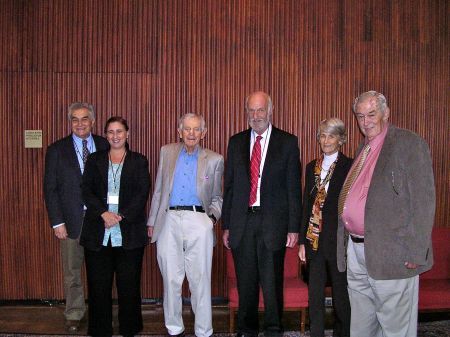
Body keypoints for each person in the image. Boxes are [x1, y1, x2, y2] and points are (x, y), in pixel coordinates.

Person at [337, 91, 435, 337]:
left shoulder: (408, 144)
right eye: (360, 116)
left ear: (386, 113)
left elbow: (424, 202)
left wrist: (416, 250)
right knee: (362, 326)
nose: (365, 121)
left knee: (395, 328)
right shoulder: (365, 148)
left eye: (371, 114)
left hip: (393, 253)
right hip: (358, 253)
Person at [222, 91, 302, 337]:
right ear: (246, 113)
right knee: (245, 282)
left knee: (271, 282)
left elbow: (293, 187)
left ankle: (274, 329)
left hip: (273, 224)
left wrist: (293, 227)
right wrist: (227, 225)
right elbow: (231, 188)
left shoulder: (287, 142)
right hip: (242, 222)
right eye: (251, 111)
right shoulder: (236, 142)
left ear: (270, 110)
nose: (256, 116)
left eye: (260, 110)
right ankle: (247, 330)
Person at [147, 113, 224, 337]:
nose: (191, 133)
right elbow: (159, 189)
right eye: (187, 129)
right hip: (168, 220)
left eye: (196, 129)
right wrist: (153, 221)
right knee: (171, 278)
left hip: (198, 220)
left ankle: (203, 330)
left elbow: (218, 197)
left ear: (203, 133)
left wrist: (210, 221)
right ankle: (174, 328)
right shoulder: (167, 152)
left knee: (200, 278)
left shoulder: (215, 159)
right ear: (179, 131)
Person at [80, 116, 150, 337]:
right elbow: (86, 191)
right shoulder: (94, 160)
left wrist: (119, 215)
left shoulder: (139, 161)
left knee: (129, 286)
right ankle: (101, 329)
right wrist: (103, 213)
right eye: (111, 132)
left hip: (128, 232)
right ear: (106, 134)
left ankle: (130, 327)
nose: (115, 136)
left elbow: (142, 194)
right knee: (98, 287)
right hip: (98, 233)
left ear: (127, 134)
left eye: (119, 131)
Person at [44, 102, 109, 332]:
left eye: (84, 119)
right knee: (72, 271)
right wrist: (57, 222)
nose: (79, 123)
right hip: (71, 220)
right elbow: (50, 188)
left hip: (100, 220)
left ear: (92, 121)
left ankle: (101, 313)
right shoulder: (56, 149)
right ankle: (74, 313)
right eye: (74, 119)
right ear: (70, 122)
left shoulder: (104, 144)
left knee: (100, 270)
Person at [298, 118, 351, 337]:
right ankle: (316, 333)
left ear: (341, 139)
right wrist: (302, 241)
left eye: (331, 135)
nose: (325, 140)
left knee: (341, 297)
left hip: (338, 241)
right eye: (322, 135)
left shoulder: (350, 166)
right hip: (314, 240)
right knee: (315, 295)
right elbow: (306, 205)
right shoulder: (312, 167)